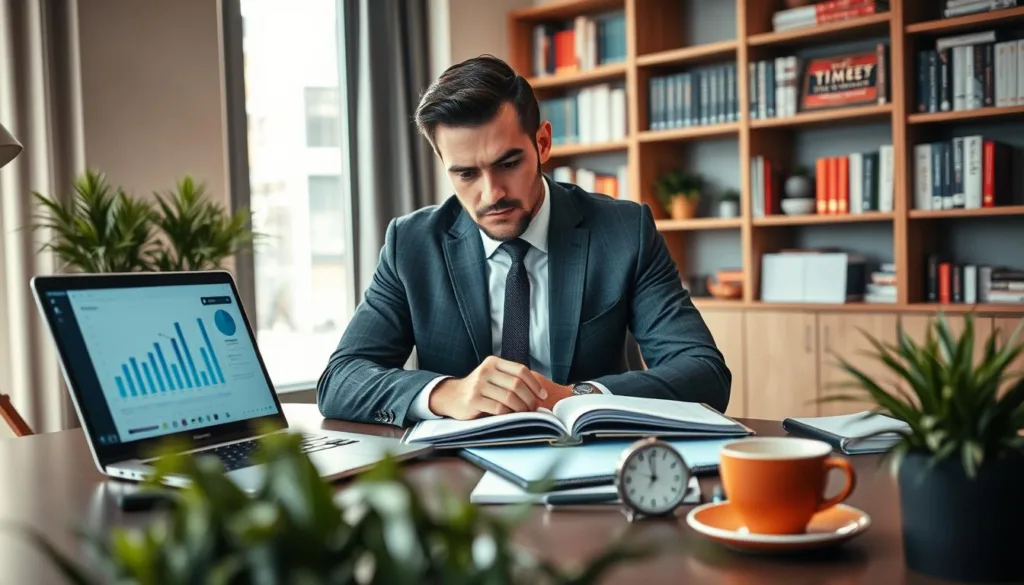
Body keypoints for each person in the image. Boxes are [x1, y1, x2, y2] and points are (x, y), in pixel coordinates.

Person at [316, 55, 731, 426]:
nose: (491, 193)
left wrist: (575, 398)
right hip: (457, 480)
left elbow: (703, 372)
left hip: (592, 461)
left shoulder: (624, 231)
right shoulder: (411, 244)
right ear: (444, 166)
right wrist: (448, 393)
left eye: (508, 163)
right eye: (466, 174)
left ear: (543, 143)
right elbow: (341, 379)